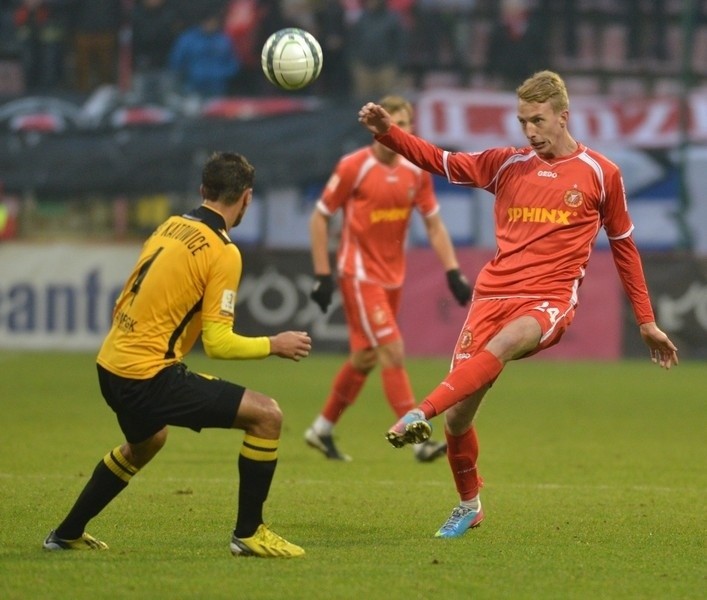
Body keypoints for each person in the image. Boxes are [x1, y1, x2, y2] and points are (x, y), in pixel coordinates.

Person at [358, 71, 679, 538]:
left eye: (538, 120)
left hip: (548, 300)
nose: (529, 131)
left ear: (563, 116)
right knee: (459, 417)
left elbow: (625, 247)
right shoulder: (506, 164)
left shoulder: (601, 173)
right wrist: (390, 132)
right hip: (491, 295)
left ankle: (416, 412)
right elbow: (440, 160)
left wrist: (646, 321)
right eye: (522, 120)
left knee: (506, 344)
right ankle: (469, 505)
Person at [43, 152, 311, 558]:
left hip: (111, 362)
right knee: (266, 415)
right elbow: (219, 344)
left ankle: (65, 534)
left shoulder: (170, 225)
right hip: (146, 375)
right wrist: (274, 344)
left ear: (203, 190)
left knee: (147, 442)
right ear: (247, 198)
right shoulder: (223, 251)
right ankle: (249, 532)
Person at [305, 95, 472, 463]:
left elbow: (433, 223)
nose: (395, 130)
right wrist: (321, 274)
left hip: (392, 278)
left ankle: (321, 429)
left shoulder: (416, 171)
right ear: (375, 126)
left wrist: (453, 270)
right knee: (392, 350)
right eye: (389, 122)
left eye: (402, 124)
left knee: (365, 357)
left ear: (410, 129)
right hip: (359, 274)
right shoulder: (354, 167)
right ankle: (417, 439)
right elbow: (320, 217)